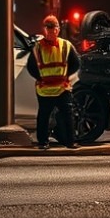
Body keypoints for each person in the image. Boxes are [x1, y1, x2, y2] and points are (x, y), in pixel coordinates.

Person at [27, 14, 81, 149]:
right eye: (49, 28)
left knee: (64, 115)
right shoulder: (38, 47)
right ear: (45, 30)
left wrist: (64, 76)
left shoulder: (65, 45)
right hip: (46, 88)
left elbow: (75, 63)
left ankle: (67, 141)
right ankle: (46, 142)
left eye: (54, 27)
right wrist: (41, 78)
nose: (51, 31)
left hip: (59, 87)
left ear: (58, 29)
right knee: (47, 115)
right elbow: (31, 67)